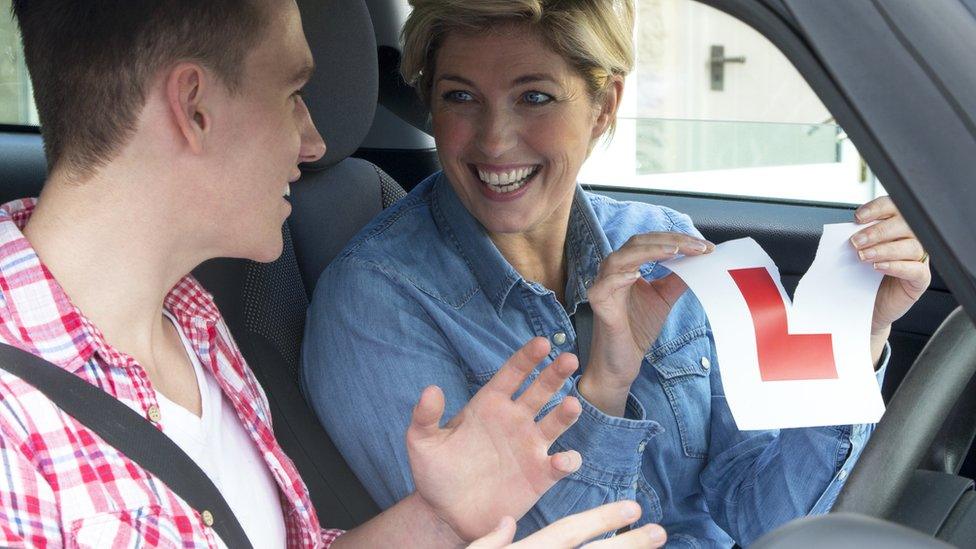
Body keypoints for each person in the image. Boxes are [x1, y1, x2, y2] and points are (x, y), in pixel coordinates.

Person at [0, 0, 669, 547]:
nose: (315, 140)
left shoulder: (192, 327)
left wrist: (435, 520)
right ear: (195, 108)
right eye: (294, 92)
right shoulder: (12, 431)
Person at [301, 0, 932, 546]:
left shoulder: (660, 242)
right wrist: (605, 382)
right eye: (459, 96)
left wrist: (851, 334)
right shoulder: (376, 302)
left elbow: (765, 515)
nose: (494, 141)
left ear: (604, 106)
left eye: (535, 97)